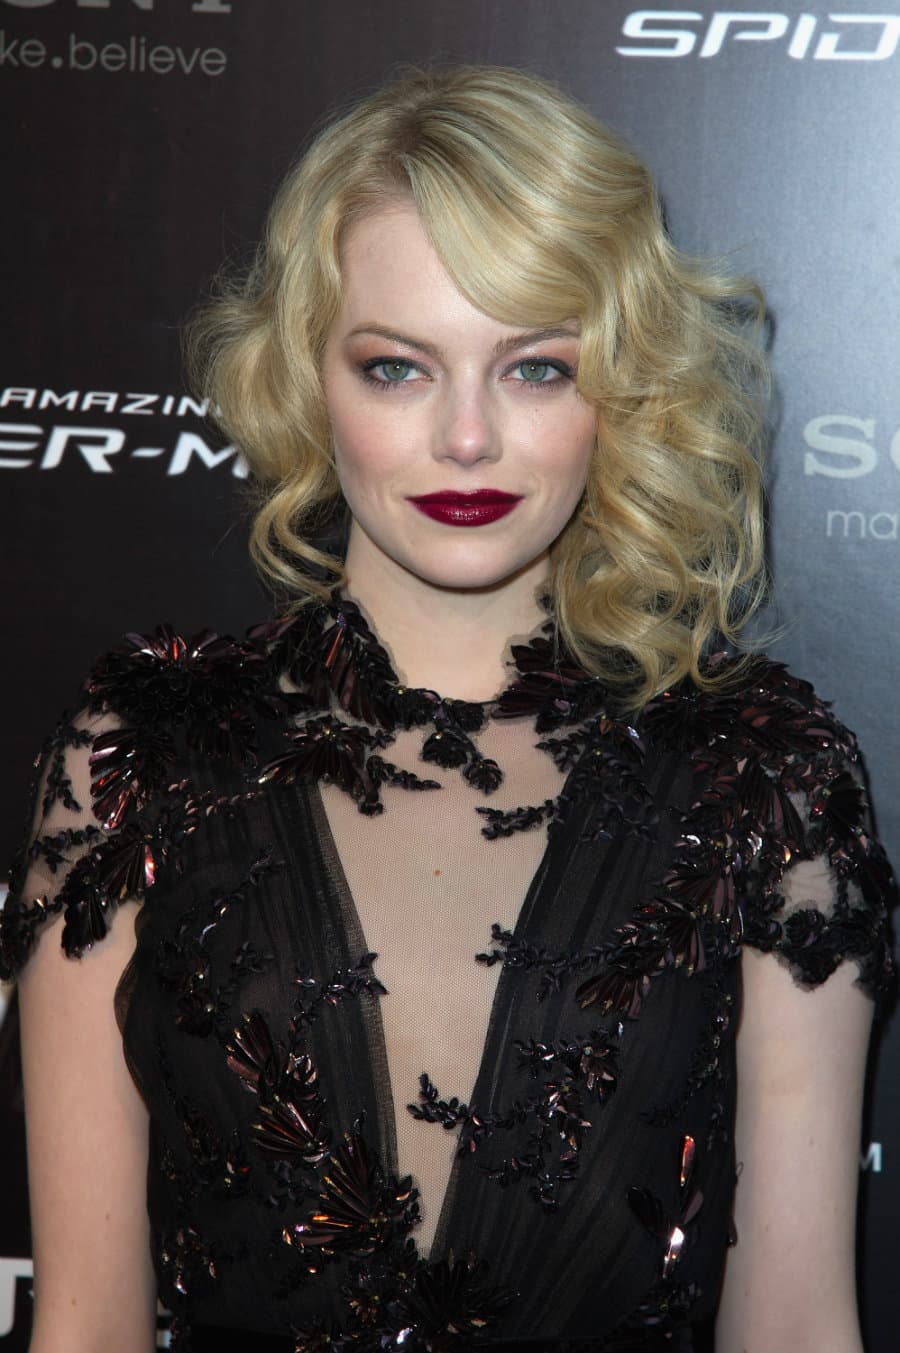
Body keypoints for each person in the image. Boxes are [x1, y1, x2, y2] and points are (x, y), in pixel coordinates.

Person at [0, 65, 894, 1353]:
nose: (467, 438)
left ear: (623, 384)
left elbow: (799, 1326)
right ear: (311, 378)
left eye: (534, 369)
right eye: (397, 367)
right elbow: (84, 1330)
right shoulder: (139, 758)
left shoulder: (766, 779)